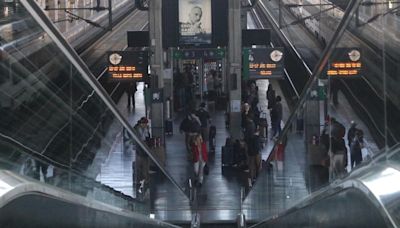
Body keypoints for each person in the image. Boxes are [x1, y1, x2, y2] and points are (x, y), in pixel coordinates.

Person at [134, 117, 151, 190]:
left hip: (145, 149)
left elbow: (148, 138)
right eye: (145, 124)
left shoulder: (146, 129)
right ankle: (138, 180)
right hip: (139, 149)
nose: (145, 125)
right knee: (139, 166)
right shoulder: (137, 129)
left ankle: (146, 179)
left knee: (145, 166)